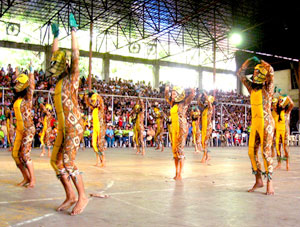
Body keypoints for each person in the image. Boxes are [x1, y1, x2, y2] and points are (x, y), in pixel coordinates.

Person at [48, 14, 88, 215]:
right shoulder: (58, 81)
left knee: (69, 161)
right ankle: (70, 195)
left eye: (56, 65)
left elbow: (74, 53)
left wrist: (73, 32)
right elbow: (55, 54)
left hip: (74, 125)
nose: (53, 68)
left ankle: (83, 196)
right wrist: (55, 36)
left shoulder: (72, 77)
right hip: (64, 127)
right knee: (55, 161)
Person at [237, 56, 275, 195]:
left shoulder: (268, 89)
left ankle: (270, 183)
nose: (254, 75)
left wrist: (262, 63)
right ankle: (258, 180)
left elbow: (271, 72)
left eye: (258, 73)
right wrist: (247, 62)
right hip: (255, 123)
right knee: (251, 153)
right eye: (254, 72)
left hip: (266, 123)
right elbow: (240, 74)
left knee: (265, 153)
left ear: (263, 76)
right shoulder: (251, 88)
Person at [12, 62, 36, 188]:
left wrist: (31, 72)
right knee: (15, 154)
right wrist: (17, 74)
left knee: (25, 154)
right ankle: (26, 178)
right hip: (20, 130)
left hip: (28, 129)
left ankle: (33, 179)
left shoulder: (27, 98)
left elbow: (31, 86)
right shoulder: (17, 100)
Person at [165, 85, 195, 180]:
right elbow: (166, 97)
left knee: (180, 150)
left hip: (181, 129)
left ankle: (180, 174)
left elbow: (191, 97)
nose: (172, 95)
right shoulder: (172, 104)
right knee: (174, 151)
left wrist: (192, 91)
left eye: (174, 93)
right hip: (174, 128)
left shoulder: (184, 103)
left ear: (179, 95)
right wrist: (166, 90)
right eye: (172, 93)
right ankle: (176, 172)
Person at [85, 92, 106, 167]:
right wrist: (86, 97)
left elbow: (101, 103)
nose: (93, 103)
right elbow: (88, 103)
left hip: (100, 128)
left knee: (100, 145)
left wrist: (98, 96)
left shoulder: (101, 109)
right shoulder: (94, 109)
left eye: (94, 101)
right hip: (95, 129)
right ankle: (98, 160)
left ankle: (103, 161)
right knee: (94, 145)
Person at [274, 95, 294, 170]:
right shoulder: (277, 111)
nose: (280, 103)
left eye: (281, 101)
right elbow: (273, 106)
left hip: (285, 132)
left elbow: (292, 104)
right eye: (279, 102)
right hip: (278, 131)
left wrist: (288, 98)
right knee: (278, 148)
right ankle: (279, 163)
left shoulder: (287, 110)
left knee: (285, 148)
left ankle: (287, 163)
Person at [198, 92, 214, 163]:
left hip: (208, 127)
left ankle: (204, 156)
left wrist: (206, 95)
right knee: (202, 142)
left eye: (207, 101)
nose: (205, 102)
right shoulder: (204, 109)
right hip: (203, 127)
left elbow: (210, 104)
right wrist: (199, 96)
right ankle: (208, 156)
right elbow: (199, 103)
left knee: (205, 142)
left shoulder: (210, 108)